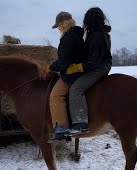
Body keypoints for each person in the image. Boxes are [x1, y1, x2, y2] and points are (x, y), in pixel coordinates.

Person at [68, 7, 112, 135]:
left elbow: (93, 60)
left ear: (89, 20)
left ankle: (81, 123)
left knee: (76, 89)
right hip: (99, 65)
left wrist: (76, 68)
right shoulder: (99, 33)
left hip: (99, 67)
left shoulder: (97, 35)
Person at [48, 11, 85, 141]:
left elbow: (64, 61)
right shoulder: (77, 35)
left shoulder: (68, 38)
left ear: (63, 23)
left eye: (58, 25)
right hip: (79, 71)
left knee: (55, 95)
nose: (58, 28)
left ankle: (62, 129)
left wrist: (51, 67)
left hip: (72, 74)